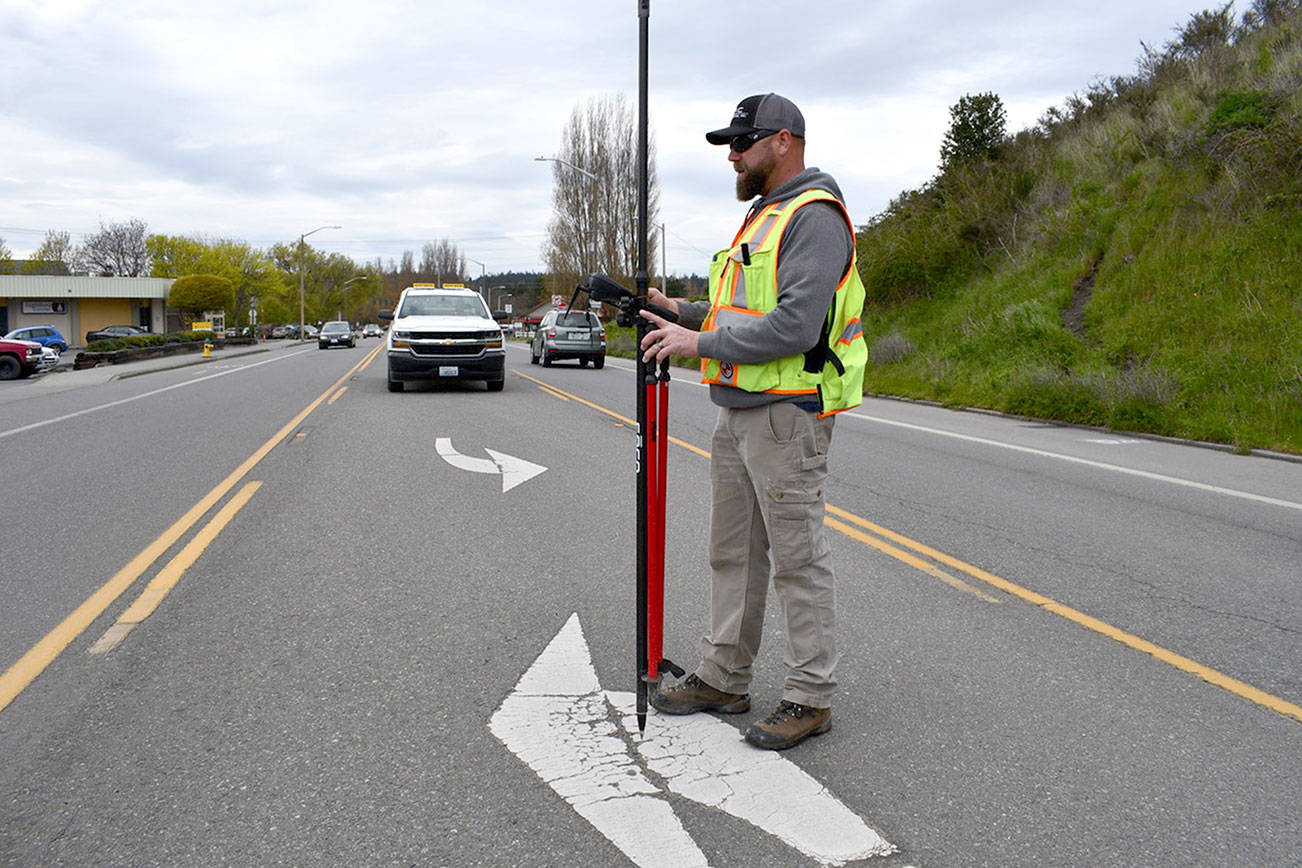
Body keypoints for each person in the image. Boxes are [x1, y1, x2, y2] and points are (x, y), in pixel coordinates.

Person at [639, 93, 867, 751]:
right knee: (731, 551)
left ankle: (810, 697)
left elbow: (794, 325)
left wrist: (696, 347)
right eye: (730, 145)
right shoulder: (762, 218)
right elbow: (738, 310)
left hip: (788, 413)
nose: (733, 155)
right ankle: (725, 675)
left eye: (744, 142)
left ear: (785, 141)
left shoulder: (813, 217)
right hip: (740, 409)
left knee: (797, 557)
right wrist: (677, 312)